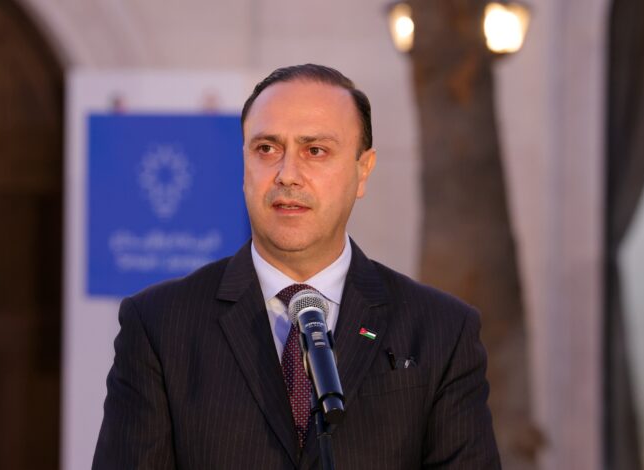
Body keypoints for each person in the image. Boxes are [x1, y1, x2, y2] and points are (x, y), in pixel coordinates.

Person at [93, 64, 500, 469]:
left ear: (363, 170)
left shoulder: (441, 331)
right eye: (266, 149)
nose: (287, 175)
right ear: (243, 164)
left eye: (315, 151)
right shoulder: (160, 326)